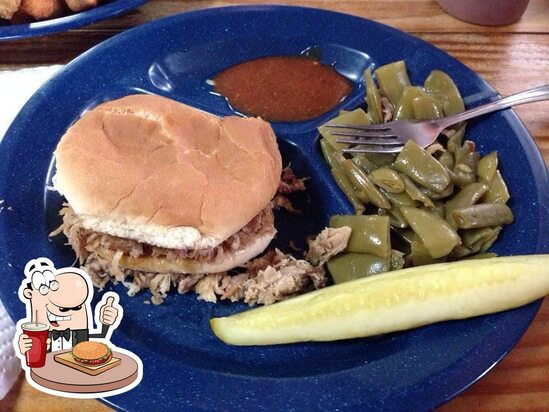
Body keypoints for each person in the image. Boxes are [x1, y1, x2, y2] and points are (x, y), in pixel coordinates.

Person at [17, 258, 120, 355]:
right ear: (29, 294)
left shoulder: (78, 333)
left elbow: (101, 336)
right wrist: (24, 346)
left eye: (77, 308)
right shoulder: (38, 336)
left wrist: (106, 323)